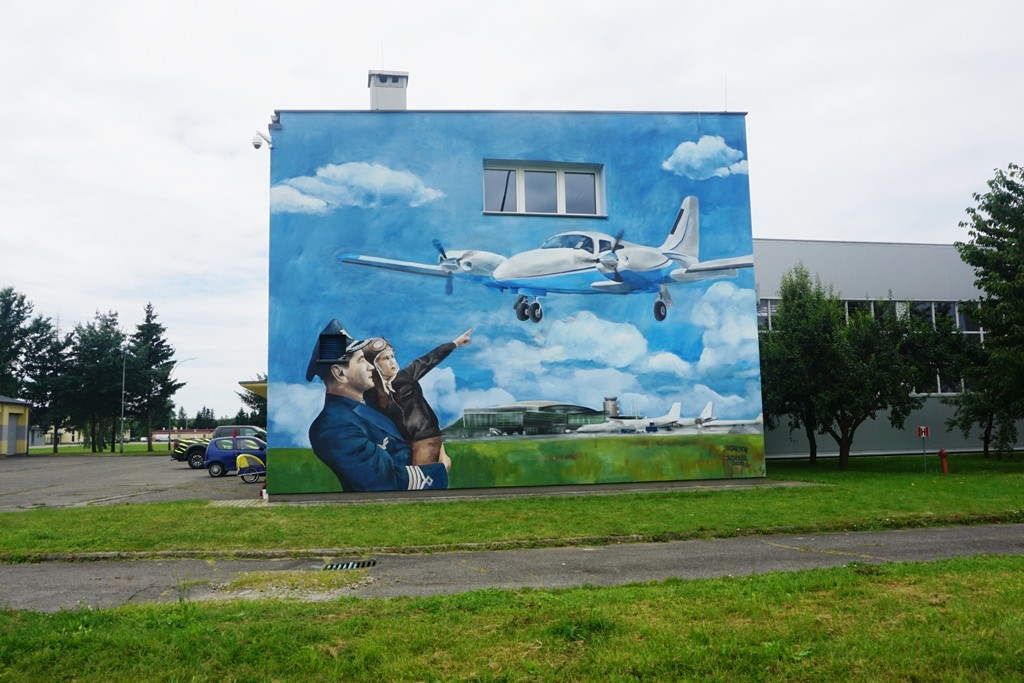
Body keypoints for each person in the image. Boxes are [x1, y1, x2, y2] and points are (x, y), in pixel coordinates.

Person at [305, 319, 450, 492]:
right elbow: (384, 482)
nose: (371, 367)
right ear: (340, 373)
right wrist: (440, 469)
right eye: (361, 360)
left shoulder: (365, 406)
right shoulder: (333, 427)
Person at [361, 329, 472, 465]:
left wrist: (455, 343)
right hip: (400, 442)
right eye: (386, 358)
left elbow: (430, 359)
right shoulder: (370, 392)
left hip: (425, 436)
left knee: (420, 473)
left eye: (392, 356)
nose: (392, 362)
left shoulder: (406, 376)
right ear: (374, 365)